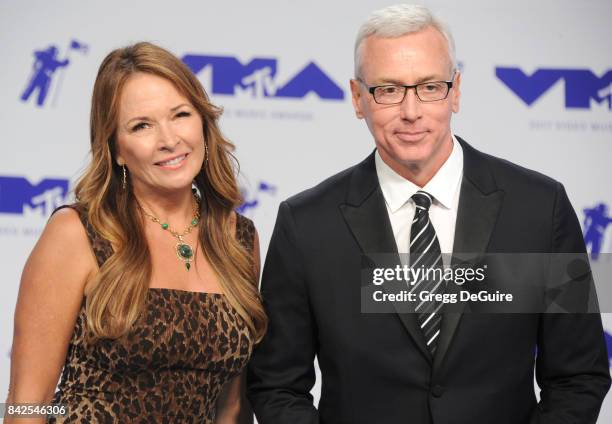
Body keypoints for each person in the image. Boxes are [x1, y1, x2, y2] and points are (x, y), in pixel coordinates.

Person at [247, 4, 610, 424]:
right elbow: (276, 385)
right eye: (388, 89)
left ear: (455, 91)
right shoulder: (306, 224)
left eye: (429, 87)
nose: (411, 111)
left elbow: (578, 376)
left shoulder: (539, 208)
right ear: (357, 98)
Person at [6, 42, 266, 423]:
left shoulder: (237, 238)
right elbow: (28, 401)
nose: (168, 139)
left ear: (204, 124)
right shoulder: (77, 233)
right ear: (116, 149)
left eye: (180, 115)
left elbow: (232, 408)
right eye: (141, 125)